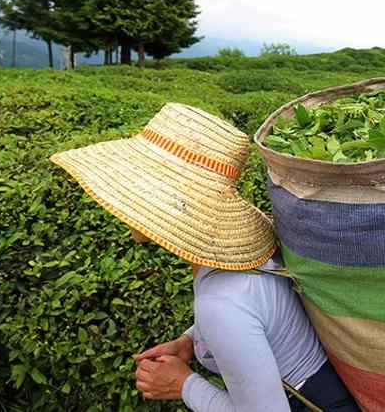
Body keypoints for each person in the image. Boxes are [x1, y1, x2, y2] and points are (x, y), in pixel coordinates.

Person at [50, 102, 359, 412]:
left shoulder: (220, 304)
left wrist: (183, 384)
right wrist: (190, 342)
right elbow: (259, 316)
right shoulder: (237, 263)